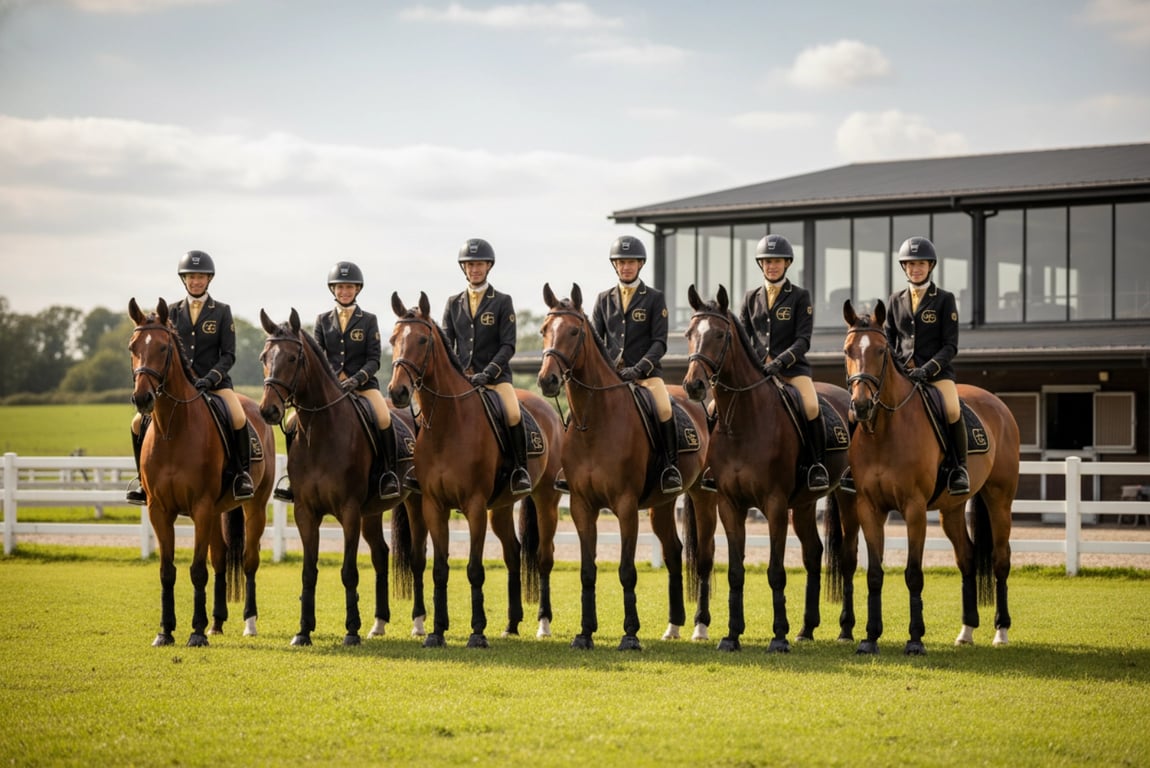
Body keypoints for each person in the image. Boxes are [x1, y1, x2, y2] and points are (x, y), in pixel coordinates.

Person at [840, 236, 969, 495]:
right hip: (903, 373)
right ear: (904, 268)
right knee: (857, 410)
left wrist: (928, 368)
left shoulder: (944, 299)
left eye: (920, 264)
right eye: (910, 265)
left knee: (953, 409)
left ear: (930, 266)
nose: (915, 269)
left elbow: (950, 346)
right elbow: (890, 342)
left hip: (936, 374)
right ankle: (851, 468)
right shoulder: (895, 299)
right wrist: (900, 368)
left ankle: (958, 468)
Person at [126, 250, 254, 504]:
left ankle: (241, 476)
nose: (196, 281)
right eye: (191, 277)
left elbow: (228, 355)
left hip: (215, 385)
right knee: (137, 422)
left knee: (238, 416)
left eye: (201, 277)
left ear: (209, 279)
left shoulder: (222, 311)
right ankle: (143, 481)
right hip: (177, 387)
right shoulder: (170, 312)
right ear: (184, 280)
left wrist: (210, 378)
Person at [272, 261, 401, 502]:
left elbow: (374, 359)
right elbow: (318, 357)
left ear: (357, 289)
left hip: (362, 387)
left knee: (383, 417)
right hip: (329, 391)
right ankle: (293, 478)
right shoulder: (322, 320)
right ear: (333, 289)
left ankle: (387, 474)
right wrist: (331, 381)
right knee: (291, 423)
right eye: (340, 287)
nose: (345, 291)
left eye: (349, 287)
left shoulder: (368, 320)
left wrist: (356, 379)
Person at [430, 238, 531, 495]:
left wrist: (488, 373)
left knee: (513, 413)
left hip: (496, 379)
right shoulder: (453, 303)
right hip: (461, 379)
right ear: (464, 268)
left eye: (480, 264)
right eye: (470, 264)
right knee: (426, 413)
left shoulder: (502, 301)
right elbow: (445, 343)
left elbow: (508, 345)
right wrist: (455, 374)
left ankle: (519, 469)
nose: (475, 269)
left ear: (489, 267)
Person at [738, 234, 829, 492]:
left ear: (787, 263)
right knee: (714, 408)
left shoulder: (800, 296)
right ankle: (713, 466)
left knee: (811, 405)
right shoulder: (749, 297)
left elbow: (803, 340)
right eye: (767, 262)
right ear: (761, 265)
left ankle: (817, 465)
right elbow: (745, 340)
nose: (771, 266)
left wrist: (779, 362)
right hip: (757, 374)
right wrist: (754, 365)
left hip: (792, 370)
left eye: (776, 261)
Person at [592, 235, 683, 494]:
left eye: (631, 262)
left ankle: (670, 467)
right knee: (576, 413)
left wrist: (639, 368)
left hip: (646, 375)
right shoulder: (603, 299)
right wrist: (609, 371)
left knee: (664, 408)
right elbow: (598, 344)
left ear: (640, 264)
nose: (626, 267)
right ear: (615, 265)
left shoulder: (654, 298)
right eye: (621, 262)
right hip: (612, 378)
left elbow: (659, 343)